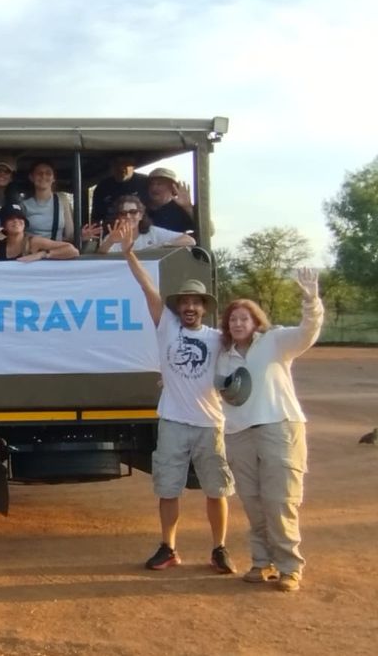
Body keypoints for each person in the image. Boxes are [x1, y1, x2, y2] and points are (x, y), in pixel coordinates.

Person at [119, 219, 237, 574]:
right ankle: (168, 547)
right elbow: (146, 286)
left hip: (209, 423)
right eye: (184, 301)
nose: (189, 307)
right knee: (168, 489)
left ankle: (219, 548)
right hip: (172, 421)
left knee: (216, 490)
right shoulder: (166, 325)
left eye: (195, 302)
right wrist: (128, 254)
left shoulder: (218, 338)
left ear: (204, 307)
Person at [216, 270, 323, 592]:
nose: (237, 323)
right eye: (233, 319)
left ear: (255, 321)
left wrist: (310, 299)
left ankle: (290, 567)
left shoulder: (276, 342)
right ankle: (262, 562)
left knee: (280, 501)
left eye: (244, 318)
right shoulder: (223, 356)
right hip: (239, 434)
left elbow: (308, 332)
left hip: (278, 427)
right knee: (252, 501)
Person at [0, 205, 78, 263]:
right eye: (11, 218)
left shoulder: (34, 242)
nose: (16, 221)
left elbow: (73, 251)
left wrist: (42, 254)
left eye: (19, 218)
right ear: (3, 225)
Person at [93, 195, 195, 253]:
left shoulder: (153, 232)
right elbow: (100, 256)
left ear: (141, 215)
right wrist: (110, 241)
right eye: (123, 213)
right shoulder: (113, 235)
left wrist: (162, 245)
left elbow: (190, 241)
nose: (128, 216)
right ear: (118, 217)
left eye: (133, 212)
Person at [20, 160, 74, 242]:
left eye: (48, 173)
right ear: (31, 177)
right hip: (32, 251)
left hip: (57, 251)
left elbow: (70, 235)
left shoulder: (62, 199)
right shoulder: (24, 204)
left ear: (53, 178)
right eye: (39, 173)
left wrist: (82, 236)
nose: (43, 176)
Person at [90, 154, 150, 227]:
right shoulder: (103, 186)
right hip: (112, 231)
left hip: (142, 230)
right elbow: (96, 217)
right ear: (111, 166)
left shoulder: (145, 182)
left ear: (133, 165)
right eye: (116, 164)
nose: (121, 168)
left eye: (125, 163)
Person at [145, 167, 196, 234]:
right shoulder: (140, 207)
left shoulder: (181, 208)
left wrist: (188, 207)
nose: (154, 187)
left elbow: (209, 231)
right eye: (151, 184)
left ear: (172, 187)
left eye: (159, 184)